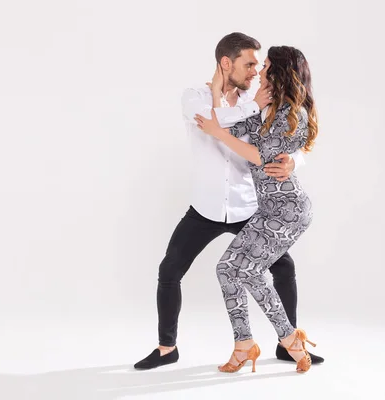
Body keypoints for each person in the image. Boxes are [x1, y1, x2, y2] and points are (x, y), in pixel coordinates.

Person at [133, 32, 323, 371]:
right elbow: (213, 123)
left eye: (258, 66)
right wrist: (238, 102)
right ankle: (167, 348)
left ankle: (285, 342)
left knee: (283, 268)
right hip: (205, 207)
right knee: (170, 269)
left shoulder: (262, 100)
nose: (254, 71)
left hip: (251, 206)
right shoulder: (196, 97)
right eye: (249, 64)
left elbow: (284, 142)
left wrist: (295, 162)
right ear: (226, 63)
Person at [194, 44, 319, 373]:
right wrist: (220, 90)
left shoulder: (292, 113)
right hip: (268, 208)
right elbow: (224, 127)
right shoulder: (264, 111)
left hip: (290, 209)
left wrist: (220, 131)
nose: (260, 71)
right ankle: (245, 344)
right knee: (227, 270)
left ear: (278, 72)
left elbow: (259, 157)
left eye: (265, 66)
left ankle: (289, 338)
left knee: (244, 271)